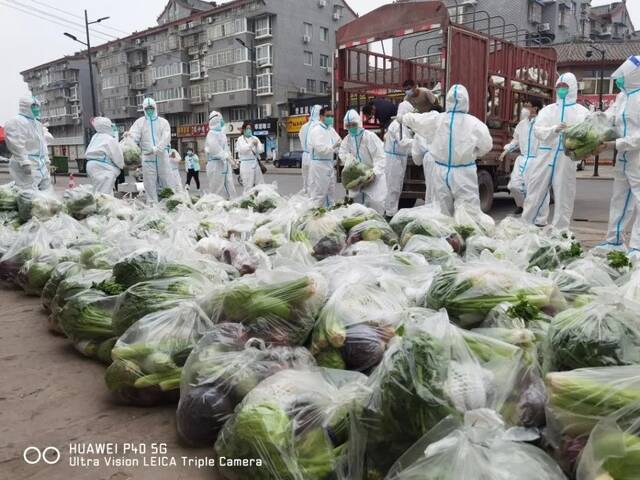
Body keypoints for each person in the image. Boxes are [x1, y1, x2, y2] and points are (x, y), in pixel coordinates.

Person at [399, 84, 493, 216]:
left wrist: (403, 117)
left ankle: (445, 236)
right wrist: (473, 154)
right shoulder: (475, 123)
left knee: (441, 211)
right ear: (466, 101)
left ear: (448, 101)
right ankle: (466, 234)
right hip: (464, 171)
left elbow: (418, 120)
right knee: (468, 210)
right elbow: (486, 146)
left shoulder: (438, 119)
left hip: (441, 171)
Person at [522, 73, 589, 230]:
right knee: (535, 191)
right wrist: (554, 129)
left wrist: (573, 133)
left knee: (564, 193)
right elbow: (538, 130)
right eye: (559, 87)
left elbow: (587, 134)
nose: (561, 90)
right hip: (545, 154)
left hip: (566, 157)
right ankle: (527, 226)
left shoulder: (582, 112)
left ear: (572, 88)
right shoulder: (548, 110)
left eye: (565, 87)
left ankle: (561, 230)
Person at [597, 56, 640, 255]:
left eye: (624, 75)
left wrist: (616, 143)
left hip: (637, 155)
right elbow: (610, 116)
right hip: (623, 156)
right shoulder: (623, 96)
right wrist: (594, 123)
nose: (620, 79)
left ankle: (637, 246)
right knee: (619, 198)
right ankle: (613, 240)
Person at [499, 98, 543, 215]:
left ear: (535, 108)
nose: (524, 109)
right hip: (522, 159)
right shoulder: (521, 124)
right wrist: (506, 150)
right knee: (514, 185)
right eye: (524, 106)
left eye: (527, 106)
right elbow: (516, 140)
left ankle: (531, 212)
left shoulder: (542, 123)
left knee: (532, 189)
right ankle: (521, 205)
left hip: (536, 160)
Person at [338, 109, 387, 214]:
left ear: (359, 123)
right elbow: (342, 153)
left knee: (375, 206)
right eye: (348, 125)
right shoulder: (347, 140)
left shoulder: (369, 137)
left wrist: (374, 172)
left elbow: (380, 157)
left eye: (353, 124)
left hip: (374, 178)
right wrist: (351, 163)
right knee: (357, 208)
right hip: (357, 179)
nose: (351, 127)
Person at [128, 97, 171, 203]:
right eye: (147, 109)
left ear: (155, 107)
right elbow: (134, 136)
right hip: (147, 157)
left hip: (162, 156)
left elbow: (166, 138)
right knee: (149, 183)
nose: (149, 110)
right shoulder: (139, 123)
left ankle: (169, 202)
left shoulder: (163, 122)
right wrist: (128, 138)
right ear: (144, 109)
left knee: (166, 180)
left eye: (151, 108)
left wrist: (156, 148)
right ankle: (152, 206)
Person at [5, 96, 52, 190]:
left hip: (40, 163)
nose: (36, 109)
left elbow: (42, 143)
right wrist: (24, 162)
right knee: (29, 193)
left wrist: (46, 159)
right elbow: (16, 144)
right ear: (25, 106)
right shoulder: (17, 121)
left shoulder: (37, 123)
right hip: (28, 163)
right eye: (33, 106)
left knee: (46, 190)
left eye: (37, 106)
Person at [384, 101, 415, 217]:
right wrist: (419, 142)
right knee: (393, 187)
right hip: (394, 160)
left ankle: (391, 211)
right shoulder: (398, 125)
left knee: (396, 187)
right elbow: (403, 142)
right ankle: (390, 214)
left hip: (398, 159)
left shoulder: (400, 125)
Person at [307, 107, 341, 208]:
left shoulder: (330, 129)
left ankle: (329, 214)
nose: (330, 118)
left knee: (330, 191)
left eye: (331, 116)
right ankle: (315, 216)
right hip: (319, 165)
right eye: (328, 116)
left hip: (329, 163)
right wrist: (333, 147)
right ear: (321, 116)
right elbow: (320, 149)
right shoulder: (316, 130)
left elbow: (339, 141)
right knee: (319, 193)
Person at [84, 117, 124, 195]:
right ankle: (105, 206)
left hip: (91, 166)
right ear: (107, 126)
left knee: (98, 190)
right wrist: (122, 165)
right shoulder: (109, 139)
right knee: (105, 194)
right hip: (103, 168)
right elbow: (117, 156)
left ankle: (100, 205)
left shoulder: (95, 136)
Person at [205, 111, 235, 198]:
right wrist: (226, 157)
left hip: (223, 164)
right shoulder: (211, 134)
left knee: (228, 185)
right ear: (216, 121)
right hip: (215, 165)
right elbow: (215, 149)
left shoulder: (222, 134)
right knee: (217, 189)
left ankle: (229, 204)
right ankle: (216, 207)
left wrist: (231, 158)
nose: (223, 121)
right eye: (221, 119)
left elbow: (226, 148)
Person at [236, 120, 264, 193]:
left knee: (260, 184)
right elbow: (243, 149)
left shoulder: (255, 138)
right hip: (245, 165)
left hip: (255, 163)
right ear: (244, 129)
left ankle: (259, 201)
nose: (249, 130)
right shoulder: (240, 139)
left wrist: (257, 145)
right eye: (247, 128)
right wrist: (251, 144)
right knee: (248, 186)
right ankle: (247, 201)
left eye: (250, 128)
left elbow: (261, 150)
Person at [299, 105, 321, 194]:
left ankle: (305, 193)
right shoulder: (318, 126)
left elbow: (300, 137)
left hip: (304, 155)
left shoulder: (304, 126)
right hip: (313, 156)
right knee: (314, 181)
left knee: (305, 179)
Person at [412, 132, 437, 205]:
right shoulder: (441, 125)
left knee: (430, 188)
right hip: (443, 158)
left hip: (429, 159)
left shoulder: (419, 131)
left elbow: (417, 157)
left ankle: (431, 209)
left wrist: (419, 161)